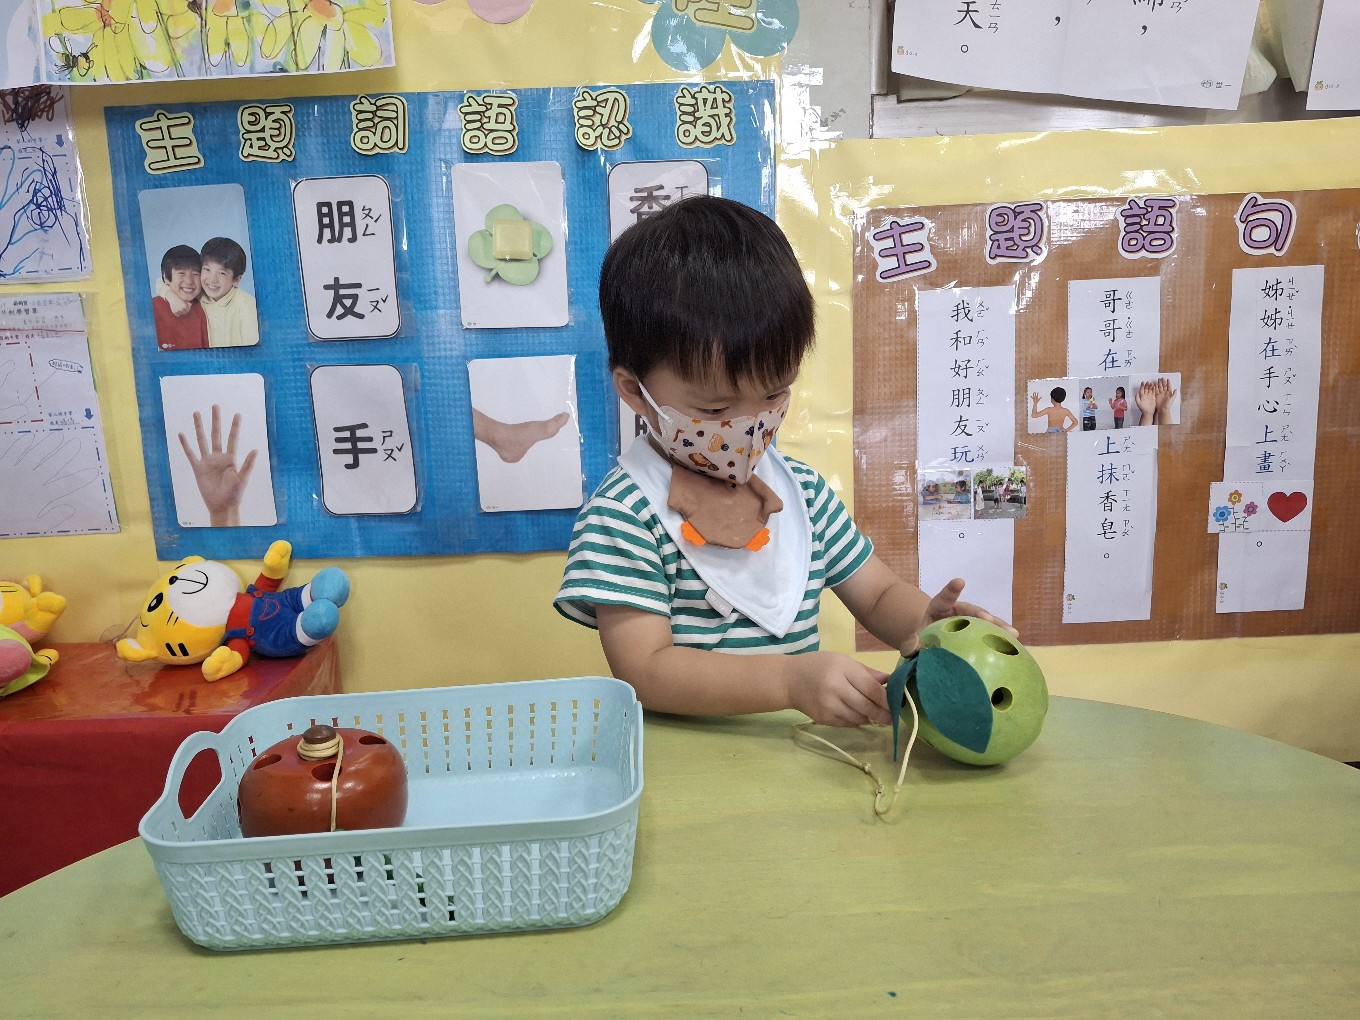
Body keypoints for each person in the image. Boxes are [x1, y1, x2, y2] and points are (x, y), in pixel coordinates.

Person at [554, 195, 1012, 728]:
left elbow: (878, 594)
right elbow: (646, 671)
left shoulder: (803, 493)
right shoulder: (625, 515)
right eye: (716, 408)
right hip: (684, 769)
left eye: (774, 394)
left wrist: (928, 624)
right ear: (635, 391)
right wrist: (791, 681)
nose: (751, 424)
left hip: (797, 759)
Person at [198, 236, 260, 348]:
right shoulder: (196, 296)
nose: (212, 279)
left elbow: (254, 349)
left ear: (236, 280)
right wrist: (168, 294)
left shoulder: (246, 305)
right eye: (207, 269)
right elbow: (169, 283)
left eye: (221, 273)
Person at [152, 244, 209, 351]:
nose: (189, 281)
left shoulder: (205, 303)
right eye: (181, 273)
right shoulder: (152, 308)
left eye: (195, 274)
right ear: (166, 278)